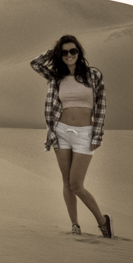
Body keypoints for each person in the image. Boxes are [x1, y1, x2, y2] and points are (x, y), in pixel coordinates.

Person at [30, 35, 112, 238]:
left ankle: (102, 222)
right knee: (66, 182)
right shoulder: (56, 77)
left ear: (79, 52)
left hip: (85, 133)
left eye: (73, 51)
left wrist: (97, 135)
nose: (69, 55)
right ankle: (75, 225)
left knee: (77, 184)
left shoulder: (93, 75)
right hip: (61, 131)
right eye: (64, 52)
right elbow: (35, 63)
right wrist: (53, 52)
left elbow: (101, 105)